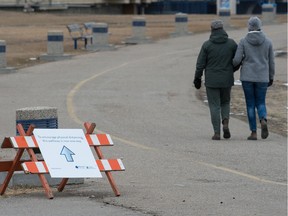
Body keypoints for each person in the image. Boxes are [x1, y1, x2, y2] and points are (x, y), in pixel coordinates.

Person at [194, 20, 238, 140]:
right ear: (223, 29)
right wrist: (232, 69)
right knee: (225, 102)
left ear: (212, 30)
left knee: (214, 105)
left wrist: (197, 78)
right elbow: (238, 59)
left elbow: (200, 64)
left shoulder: (207, 45)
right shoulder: (231, 44)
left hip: (211, 80)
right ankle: (225, 121)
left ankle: (217, 132)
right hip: (226, 79)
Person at [233, 16, 275, 140]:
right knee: (261, 102)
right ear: (260, 26)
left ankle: (253, 132)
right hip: (262, 77)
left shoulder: (243, 41)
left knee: (250, 104)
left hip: (247, 77)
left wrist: (232, 65)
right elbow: (271, 62)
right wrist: (271, 76)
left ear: (249, 26)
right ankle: (263, 118)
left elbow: (236, 60)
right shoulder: (268, 42)